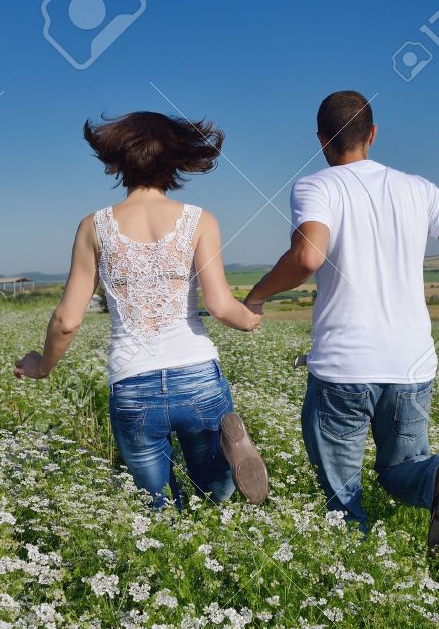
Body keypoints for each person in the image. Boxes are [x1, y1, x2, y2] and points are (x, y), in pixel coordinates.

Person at [244, 91, 439, 551]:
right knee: (402, 469)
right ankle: (438, 476)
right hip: (411, 365)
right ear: (373, 134)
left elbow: (307, 255)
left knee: (344, 498)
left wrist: (258, 295)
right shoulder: (418, 188)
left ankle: (358, 573)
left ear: (322, 140)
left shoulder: (316, 187)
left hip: (344, 368)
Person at [16, 111, 269, 510]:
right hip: (198, 377)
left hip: (133, 385)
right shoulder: (200, 220)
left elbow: (67, 320)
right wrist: (250, 319)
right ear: (175, 160)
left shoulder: (92, 227)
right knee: (214, 495)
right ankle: (225, 473)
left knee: (153, 505)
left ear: (117, 162)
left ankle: (172, 523)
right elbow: (220, 306)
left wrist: (41, 366)